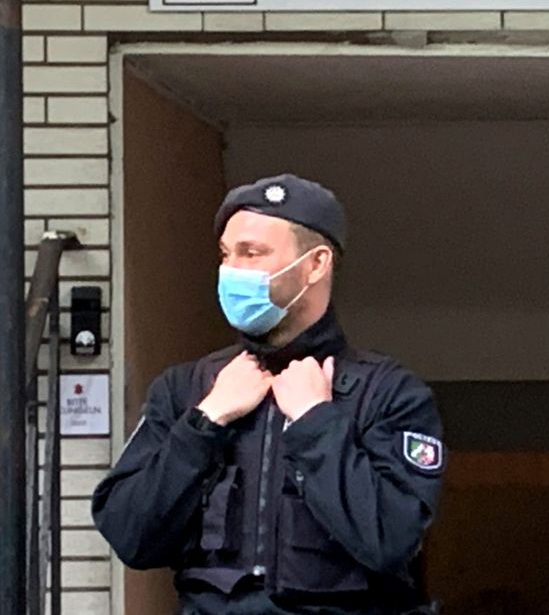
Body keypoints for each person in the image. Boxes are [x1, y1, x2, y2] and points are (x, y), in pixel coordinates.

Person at [92, 174, 446, 614]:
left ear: (316, 264)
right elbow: (130, 536)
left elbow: (390, 540)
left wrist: (316, 421)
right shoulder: (188, 389)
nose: (231, 271)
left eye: (252, 254)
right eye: (226, 255)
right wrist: (205, 422)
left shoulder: (388, 394)